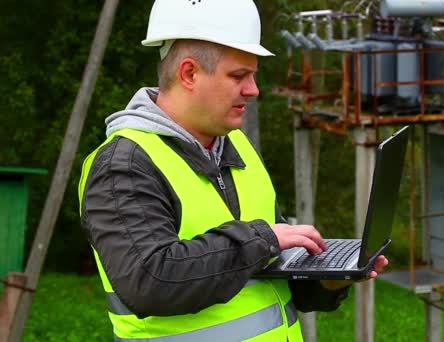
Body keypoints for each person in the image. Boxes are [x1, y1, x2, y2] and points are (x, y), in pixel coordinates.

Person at [78, 0, 389, 341]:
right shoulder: (123, 165)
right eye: (238, 76)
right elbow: (150, 281)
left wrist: (328, 279)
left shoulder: (237, 145)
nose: (253, 89)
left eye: (252, 75)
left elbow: (267, 279)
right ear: (189, 73)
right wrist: (262, 239)